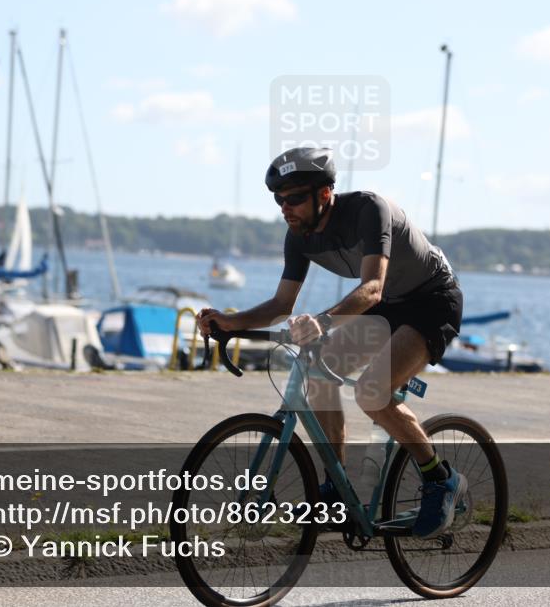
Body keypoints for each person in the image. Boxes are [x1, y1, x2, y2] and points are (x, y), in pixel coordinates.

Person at [197, 147, 465, 539]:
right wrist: (230, 322)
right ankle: (336, 490)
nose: (285, 208)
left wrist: (322, 322)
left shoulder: (368, 211)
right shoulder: (299, 236)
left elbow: (371, 288)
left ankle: (440, 478)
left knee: (373, 394)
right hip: (387, 305)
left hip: (432, 301)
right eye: (278, 199)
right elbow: (280, 305)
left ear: (324, 194)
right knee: (319, 373)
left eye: (294, 198)